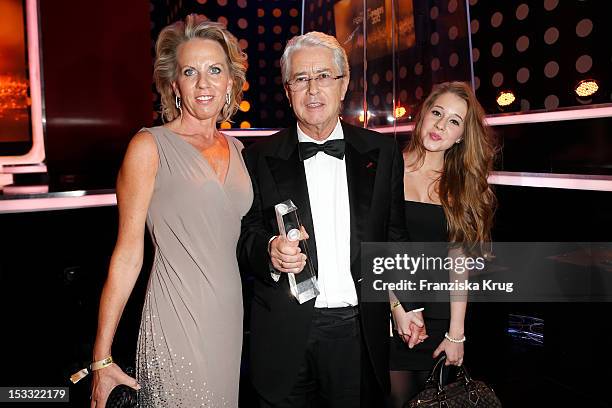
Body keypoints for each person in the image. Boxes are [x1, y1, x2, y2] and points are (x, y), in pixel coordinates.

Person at [237, 31, 425, 408]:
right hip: (283, 331)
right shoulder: (256, 157)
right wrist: (270, 251)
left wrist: (405, 303)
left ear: (343, 85)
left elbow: (394, 236)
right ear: (288, 91)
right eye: (300, 79)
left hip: (354, 331)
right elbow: (245, 237)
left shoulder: (383, 151)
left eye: (323, 76)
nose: (312, 90)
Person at [88, 15, 251, 408]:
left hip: (230, 318)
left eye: (214, 70)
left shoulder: (240, 151)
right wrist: (101, 358)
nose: (204, 83)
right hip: (175, 316)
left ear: (230, 82)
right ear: (174, 84)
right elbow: (127, 255)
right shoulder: (149, 146)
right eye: (190, 72)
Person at [389, 81, 497, 407]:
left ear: (462, 136)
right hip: (388, 312)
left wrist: (456, 333)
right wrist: (398, 308)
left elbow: (458, 262)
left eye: (454, 121)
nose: (441, 125)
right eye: (437, 113)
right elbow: (373, 245)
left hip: (439, 321)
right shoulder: (386, 168)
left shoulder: (461, 185)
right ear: (423, 115)